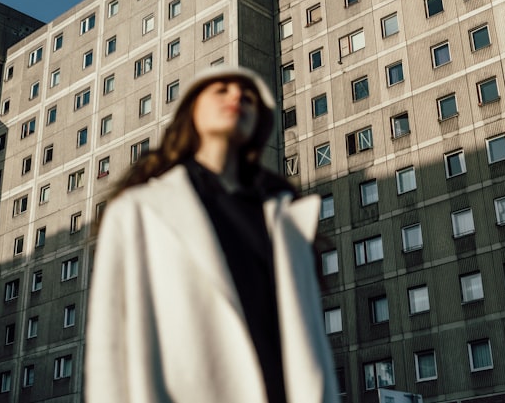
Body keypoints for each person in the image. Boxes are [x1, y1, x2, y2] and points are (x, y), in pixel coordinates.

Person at [85, 65, 338, 403]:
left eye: (248, 97)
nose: (237, 97)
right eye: (221, 90)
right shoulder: (138, 211)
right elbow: (110, 346)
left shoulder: (286, 219)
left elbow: (311, 350)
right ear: (190, 110)